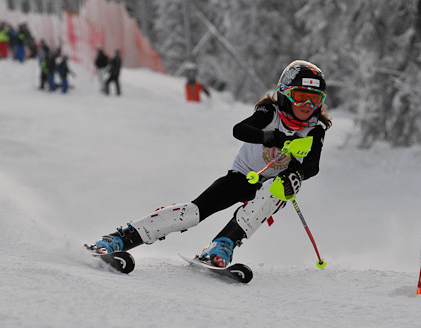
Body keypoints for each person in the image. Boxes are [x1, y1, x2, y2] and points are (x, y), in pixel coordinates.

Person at [86, 60, 332, 268]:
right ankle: (119, 238)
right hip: (243, 177)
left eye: (314, 100)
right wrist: (272, 137)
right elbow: (241, 130)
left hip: (274, 185)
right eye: (301, 97)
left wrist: (296, 174)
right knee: (192, 213)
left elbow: (312, 165)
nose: (307, 107)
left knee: (276, 189)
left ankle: (223, 245)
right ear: (285, 93)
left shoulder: (314, 129)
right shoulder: (271, 114)